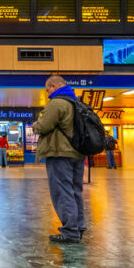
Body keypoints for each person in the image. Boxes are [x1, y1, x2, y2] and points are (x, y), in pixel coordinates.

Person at [31, 75, 85, 244]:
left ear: (53, 86)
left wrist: (35, 124)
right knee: (75, 191)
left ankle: (70, 231)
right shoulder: (77, 103)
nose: (48, 93)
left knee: (62, 192)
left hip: (59, 153)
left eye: (48, 90)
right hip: (77, 153)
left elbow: (43, 126)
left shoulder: (57, 103)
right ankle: (78, 226)